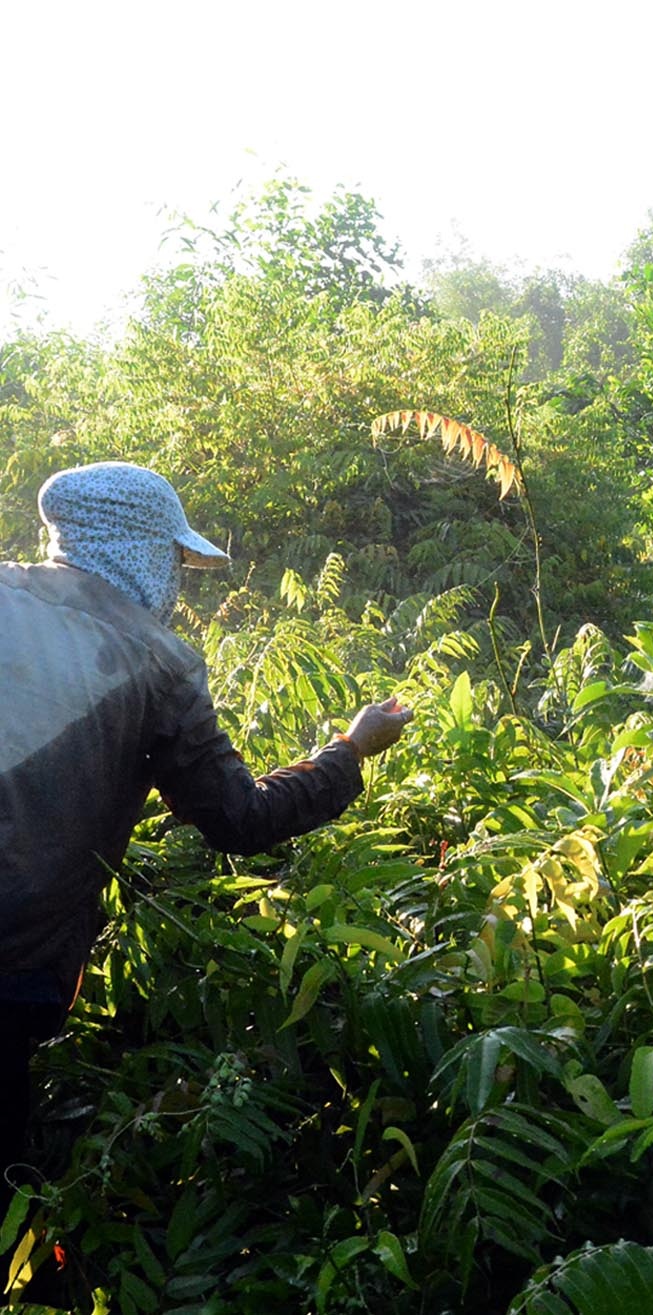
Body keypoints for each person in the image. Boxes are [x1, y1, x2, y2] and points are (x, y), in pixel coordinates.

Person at [0, 462, 414, 1179]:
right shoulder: (160, 665)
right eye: (172, 558)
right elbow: (238, 819)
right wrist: (350, 750)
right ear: (139, 552)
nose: (176, 581)